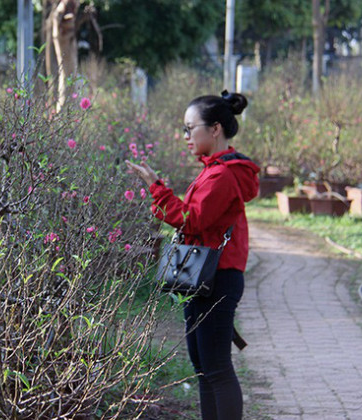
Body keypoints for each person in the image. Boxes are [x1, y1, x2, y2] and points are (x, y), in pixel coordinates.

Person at [125, 90, 260, 420]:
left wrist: (157, 187)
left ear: (215, 129)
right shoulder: (215, 169)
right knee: (204, 368)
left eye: (190, 128)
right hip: (207, 277)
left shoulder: (223, 174)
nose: (185, 136)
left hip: (217, 278)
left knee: (216, 369)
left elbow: (191, 219)